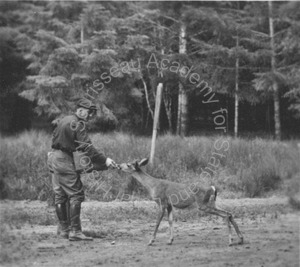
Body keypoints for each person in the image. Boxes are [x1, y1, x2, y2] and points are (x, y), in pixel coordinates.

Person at [47, 98, 117, 241]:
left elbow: (55, 138)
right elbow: (87, 148)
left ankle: (63, 230)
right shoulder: (78, 124)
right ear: (80, 110)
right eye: (88, 112)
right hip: (65, 160)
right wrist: (105, 160)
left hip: (54, 158)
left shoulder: (64, 119)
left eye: (91, 113)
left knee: (60, 195)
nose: (90, 116)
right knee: (76, 195)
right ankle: (75, 232)